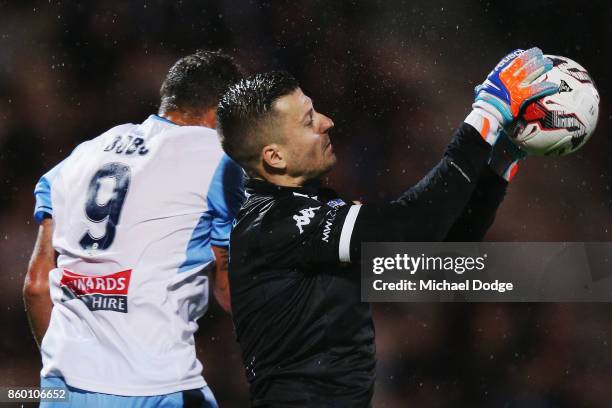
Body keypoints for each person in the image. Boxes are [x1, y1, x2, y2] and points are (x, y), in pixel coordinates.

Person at [215, 48, 558, 407]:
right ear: (274, 157)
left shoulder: (314, 213)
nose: (327, 121)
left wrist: (495, 168)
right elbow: (412, 225)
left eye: (315, 110)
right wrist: (486, 116)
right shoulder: (273, 223)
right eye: (307, 121)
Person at [23, 50, 245, 407]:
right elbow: (231, 290)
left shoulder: (78, 157)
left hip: (63, 386)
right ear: (224, 112)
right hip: (157, 384)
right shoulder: (219, 160)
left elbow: (36, 286)